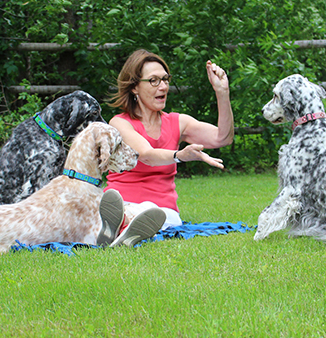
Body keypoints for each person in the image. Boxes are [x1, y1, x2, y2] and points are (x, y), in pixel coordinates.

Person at [97, 49, 234, 247]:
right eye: (154, 80)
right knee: (116, 210)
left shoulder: (178, 122)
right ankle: (121, 224)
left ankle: (124, 227)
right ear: (134, 87)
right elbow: (146, 155)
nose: (163, 86)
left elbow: (223, 137)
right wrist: (179, 155)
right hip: (121, 202)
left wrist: (222, 92)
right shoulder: (119, 123)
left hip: (161, 211)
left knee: (155, 212)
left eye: (165, 79)